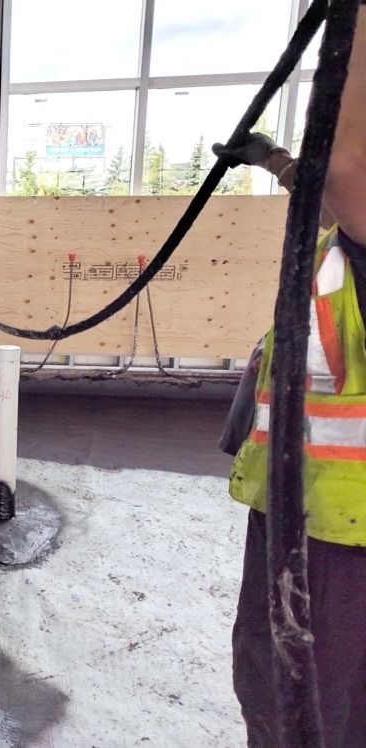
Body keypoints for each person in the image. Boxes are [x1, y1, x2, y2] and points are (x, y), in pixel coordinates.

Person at [214, 5, 366, 745]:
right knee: (273, 693)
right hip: (298, 512)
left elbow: (342, 169)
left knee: (318, 714)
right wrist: (272, 158)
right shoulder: (342, 247)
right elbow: (325, 183)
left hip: (345, 538)